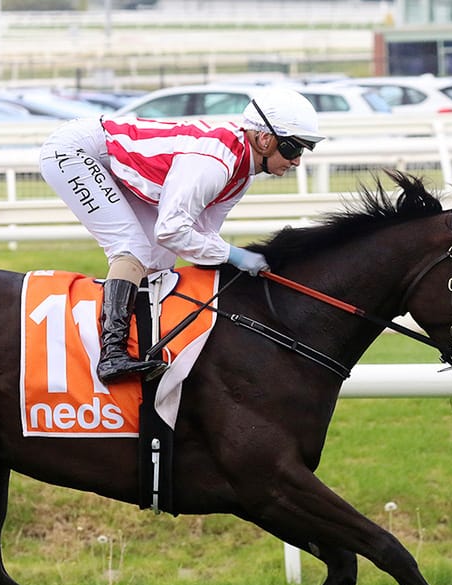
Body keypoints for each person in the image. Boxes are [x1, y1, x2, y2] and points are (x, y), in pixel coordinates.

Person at [38, 85, 323, 384]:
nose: (297, 161)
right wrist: (236, 255)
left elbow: (201, 236)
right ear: (264, 139)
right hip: (74, 150)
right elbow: (172, 230)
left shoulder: (240, 176)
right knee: (132, 248)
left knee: (160, 258)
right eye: (293, 148)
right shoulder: (214, 164)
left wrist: (243, 260)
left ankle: (145, 344)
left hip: (107, 155)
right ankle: (111, 354)